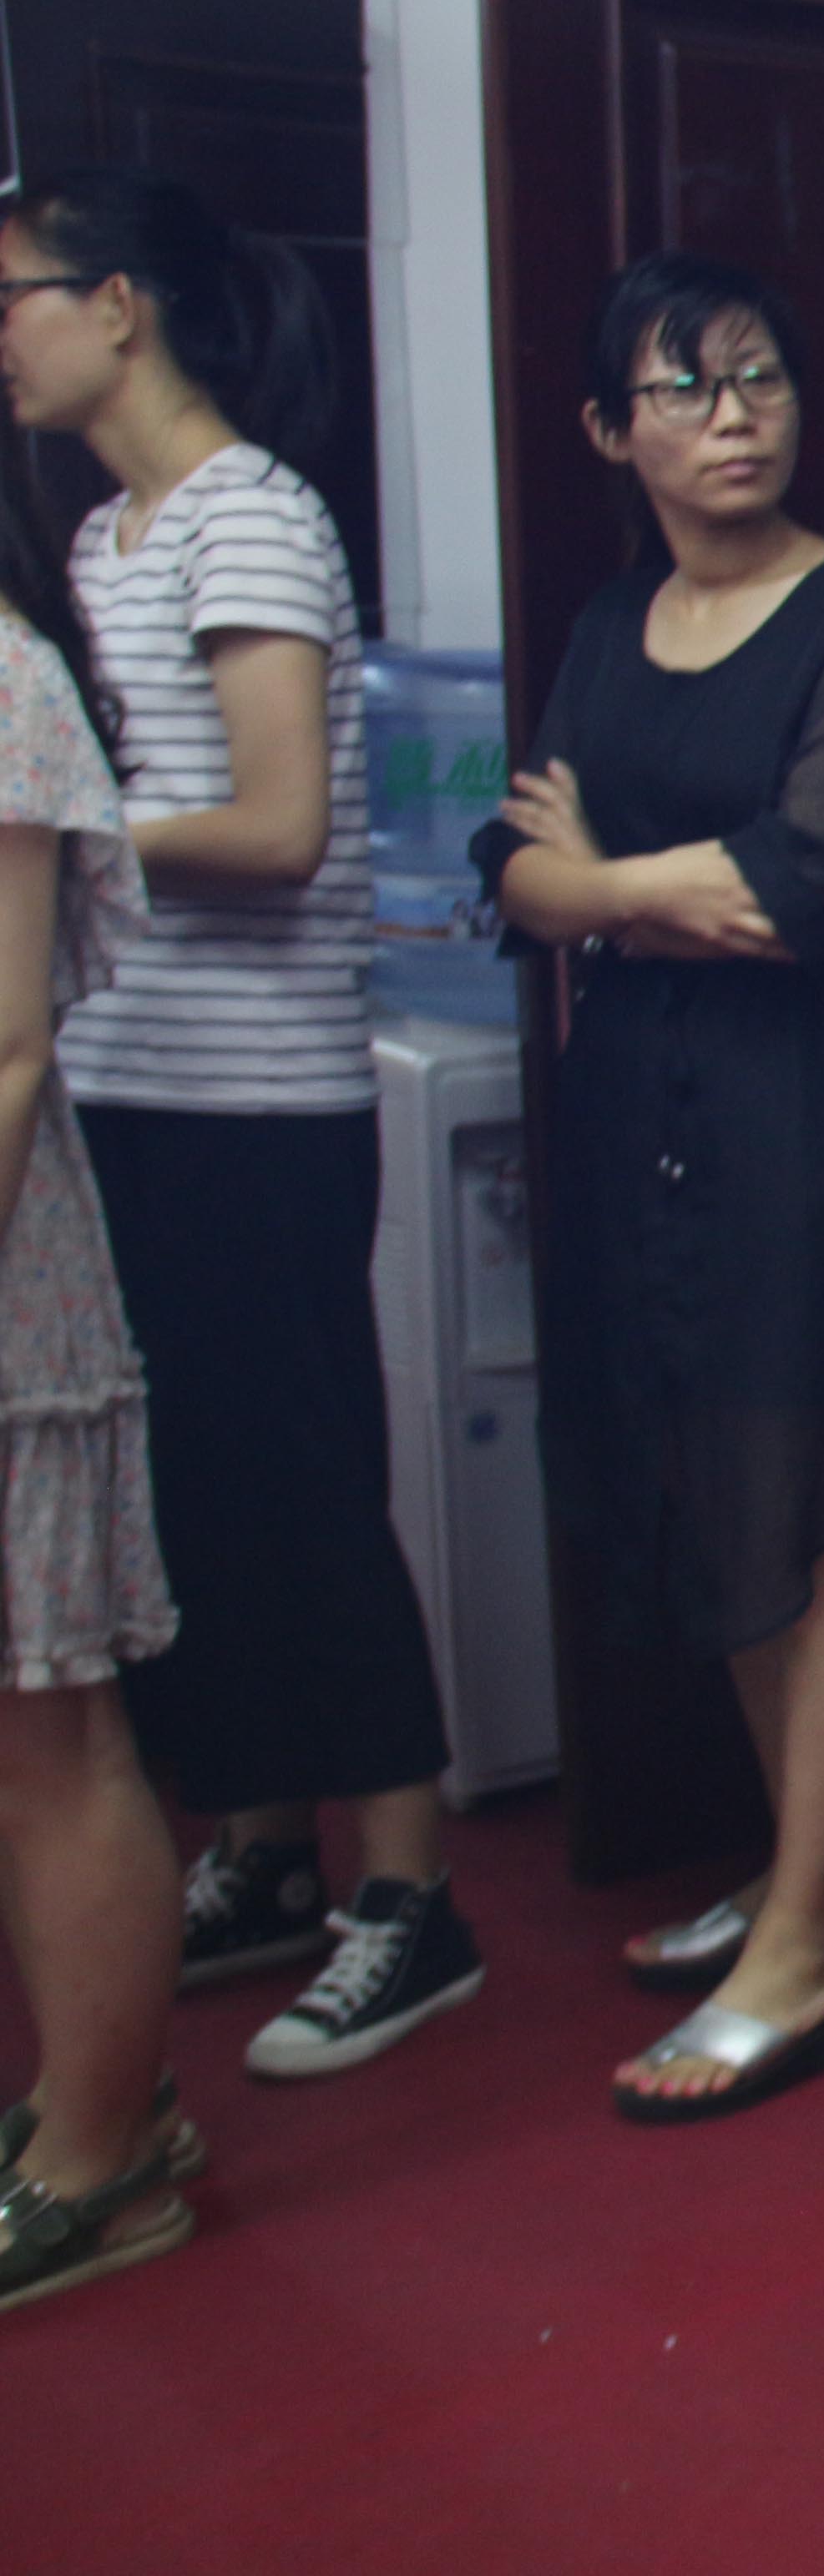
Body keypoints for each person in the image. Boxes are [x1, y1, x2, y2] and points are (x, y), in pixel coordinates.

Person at [0, 165, 481, 2082]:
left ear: (118, 304)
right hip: (125, 1081)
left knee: (303, 1481)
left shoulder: (251, 516)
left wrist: (56, 838)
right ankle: (271, 1851)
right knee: (192, 1495)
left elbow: (279, 825)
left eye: (15, 295)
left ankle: (412, 1895)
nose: (0, 336)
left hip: (257, 1094)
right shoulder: (101, 532)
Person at [472, 251, 824, 2122]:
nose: (736, 416)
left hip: (794, 1131)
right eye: (687, 388)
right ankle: (822, 1873)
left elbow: (804, 891)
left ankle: (805, 1942)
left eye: (761, 378)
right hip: (633, 1127)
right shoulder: (613, 623)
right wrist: (626, 889)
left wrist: (601, 886)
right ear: (615, 430)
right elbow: (509, 868)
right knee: (717, 1502)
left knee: (815, 1523)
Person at [0, 456, 195, 2310]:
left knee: (52, 1725)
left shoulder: (5, 674)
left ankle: (105, 2151)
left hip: (9, 1276)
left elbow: (2, 1045)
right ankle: (87, 2089)